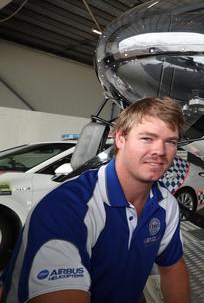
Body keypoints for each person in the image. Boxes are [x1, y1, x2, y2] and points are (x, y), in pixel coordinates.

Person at [1, 97, 191, 303]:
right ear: (120, 138)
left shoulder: (165, 204)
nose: (160, 151)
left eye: (170, 141)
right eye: (147, 138)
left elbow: (172, 267)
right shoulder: (67, 207)